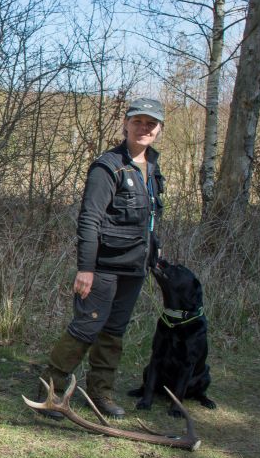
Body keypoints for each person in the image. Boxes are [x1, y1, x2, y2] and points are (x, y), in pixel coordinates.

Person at [40, 98, 166, 419]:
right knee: (86, 327)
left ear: (159, 130)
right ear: (125, 125)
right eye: (138, 122)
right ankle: (50, 390)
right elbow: (90, 219)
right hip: (103, 268)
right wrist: (86, 268)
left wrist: (156, 252)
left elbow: (150, 218)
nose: (144, 129)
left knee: (114, 332)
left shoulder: (152, 168)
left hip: (134, 269)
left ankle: (100, 393)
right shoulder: (107, 166)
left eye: (151, 124)